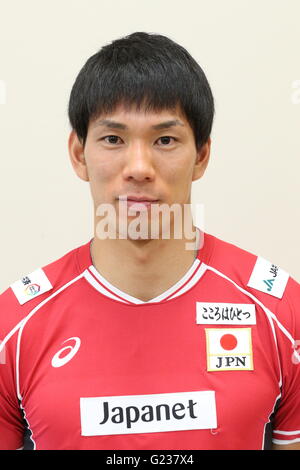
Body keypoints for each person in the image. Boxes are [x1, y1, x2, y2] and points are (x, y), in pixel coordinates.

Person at [0, 31, 299, 451]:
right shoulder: (12, 326)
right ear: (78, 154)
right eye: (113, 139)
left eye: (165, 140)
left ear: (201, 156)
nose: (139, 167)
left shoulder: (282, 312)